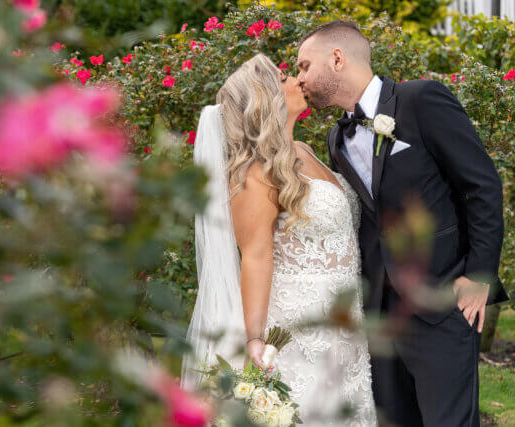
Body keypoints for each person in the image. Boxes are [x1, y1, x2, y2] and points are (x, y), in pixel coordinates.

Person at [295, 20, 508, 427]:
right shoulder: (335, 140)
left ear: (337, 58)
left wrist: (479, 274)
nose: (299, 77)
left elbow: (481, 185)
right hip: (379, 314)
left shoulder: (421, 99)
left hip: (442, 301)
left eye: (305, 66)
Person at [182, 53, 377, 426]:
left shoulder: (303, 150)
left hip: (344, 319)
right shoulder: (254, 173)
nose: (298, 80)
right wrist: (254, 338)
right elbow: (256, 256)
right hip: (297, 326)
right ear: (266, 99)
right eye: (286, 76)